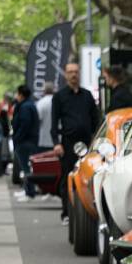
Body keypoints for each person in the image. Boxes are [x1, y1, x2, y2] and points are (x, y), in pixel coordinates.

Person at [51, 61, 101, 223]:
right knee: (68, 178)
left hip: (87, 144)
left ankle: (87, 211)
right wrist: (56, 143)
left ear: (79, 74)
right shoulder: (59, 97)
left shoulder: (87, 96)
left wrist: (96, 139)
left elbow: (96, 119)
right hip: (67, 144)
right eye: (70, 72)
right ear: (66, 75)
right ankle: (66, 213)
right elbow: (54, 122)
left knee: (87, 177)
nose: (73, 75)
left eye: (76, 72)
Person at [11, 85, 40, 201]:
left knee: (26, 167)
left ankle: (29, 192)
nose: (16, 96)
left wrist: (17, 138)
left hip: (25, 141)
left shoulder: (24, 107)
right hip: (29, 140)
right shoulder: (29, 105)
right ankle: (27, 190)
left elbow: (24, 125)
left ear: (21, 95)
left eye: (17, 94)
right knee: (27, 167)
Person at [36, 82, 55, 151]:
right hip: (57, 140)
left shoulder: (40, 103)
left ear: (44, 91)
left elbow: (37, 120)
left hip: (43, 140)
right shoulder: (58, 102)